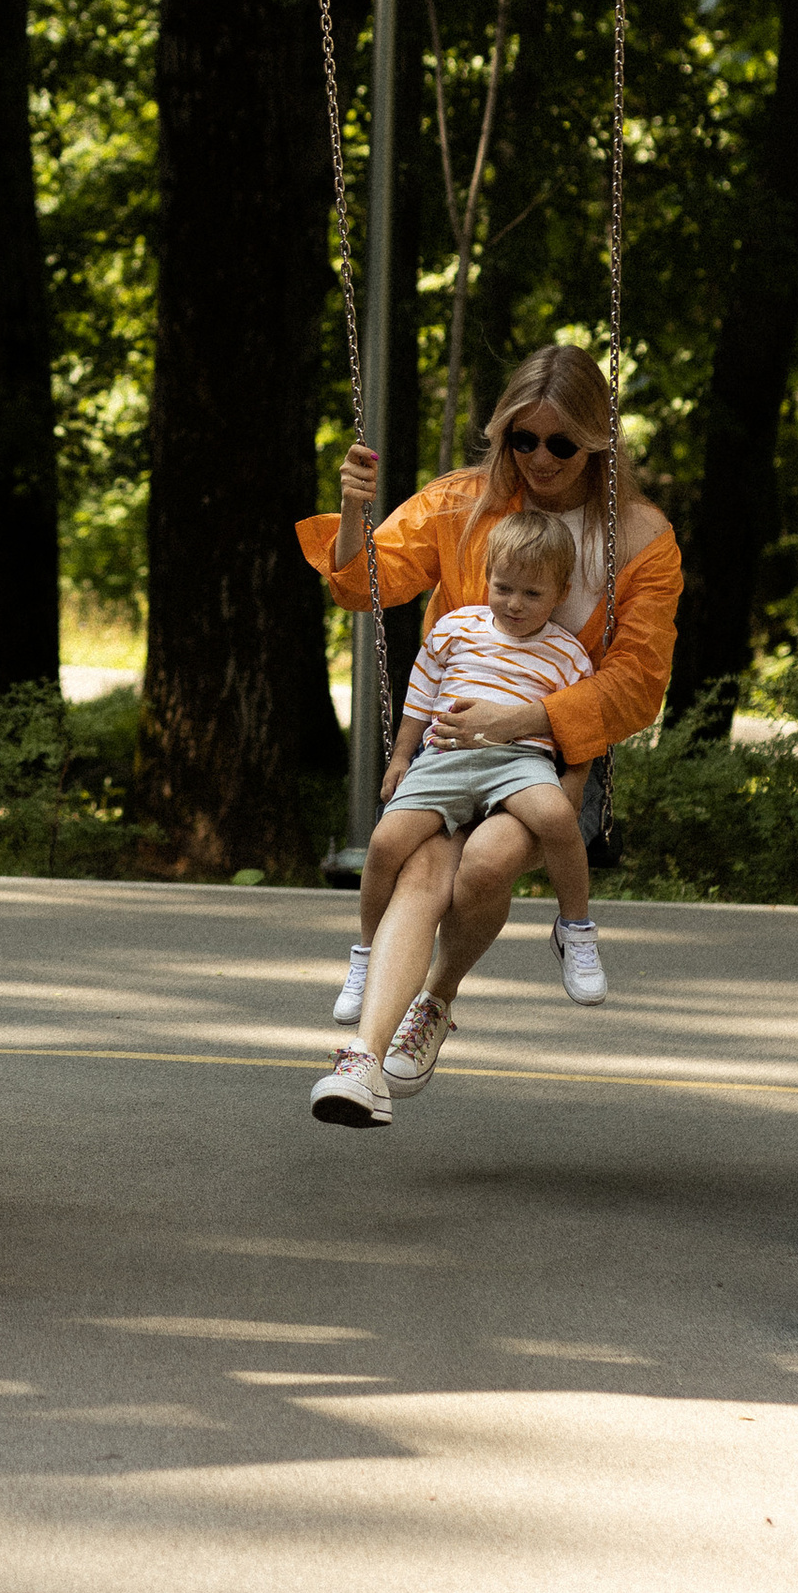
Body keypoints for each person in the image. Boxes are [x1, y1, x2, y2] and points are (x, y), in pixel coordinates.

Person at [302, 342, 679, 1128]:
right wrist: (354, 514)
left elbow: (639, 683)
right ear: (502, 434)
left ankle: (436, 997)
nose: (541, 460)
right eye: (523, 440)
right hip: (452, 742)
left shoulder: (641, 538)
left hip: (553, 753)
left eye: (562, 444)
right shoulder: (462, 505)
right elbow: (359, 585)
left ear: (598, 443)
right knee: (421, 872)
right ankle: (362, 1064)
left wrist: (527, 719)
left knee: (484, 868)